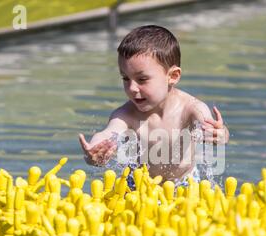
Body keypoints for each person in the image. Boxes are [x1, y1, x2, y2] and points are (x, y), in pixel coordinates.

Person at [79, 25, 229, 186]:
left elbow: (210, 126)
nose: (132, 88)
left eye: (142, 79)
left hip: (183, 184)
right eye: (125, 78)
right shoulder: (126, 114)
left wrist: (220, 134)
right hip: (138, 185)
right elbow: (109, 132)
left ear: (172, 76)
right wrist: (95, 150)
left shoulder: (191, 109)